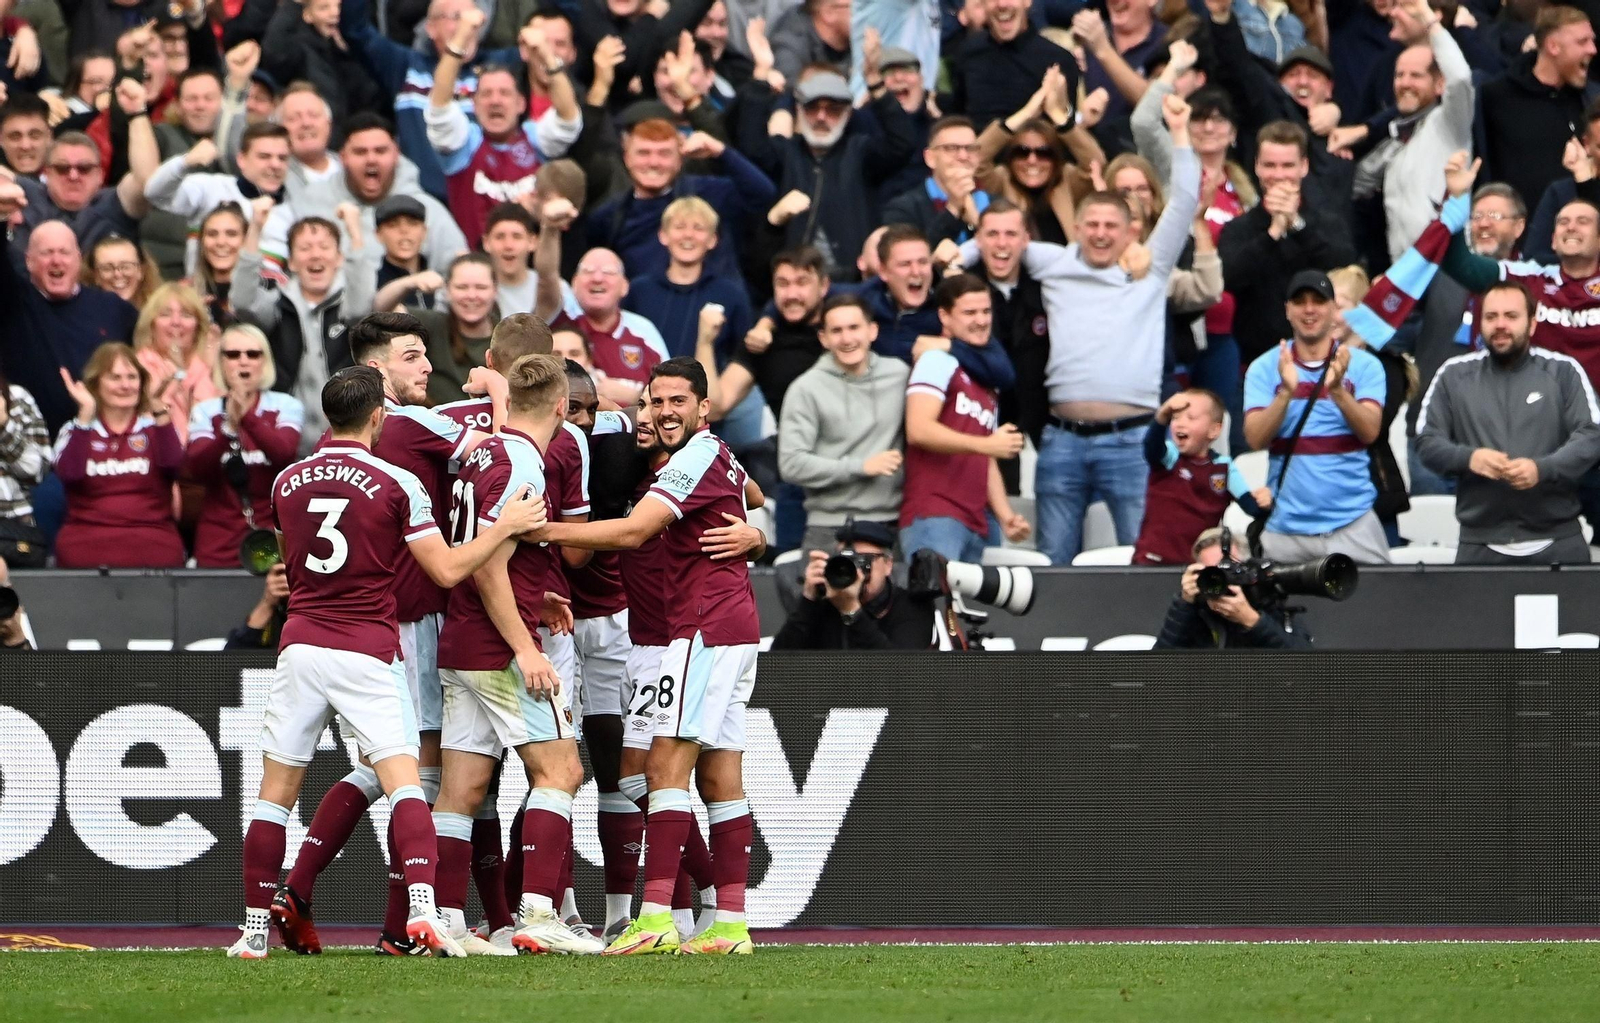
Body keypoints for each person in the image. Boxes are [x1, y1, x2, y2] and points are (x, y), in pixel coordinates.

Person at [231, 364, 546, 960]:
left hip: (300, 644)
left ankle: (251, 935)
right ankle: (424, 913)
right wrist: (504, 524)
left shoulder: (286, 481)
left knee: (275, 794)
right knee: (406, 783)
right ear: (379, 415)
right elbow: (450, 569)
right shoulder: (397, 481)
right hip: (368, 647)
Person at [530, 357, 764, 957]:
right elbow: (751, 492)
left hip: (700, 628)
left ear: (703, 408)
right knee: (711, 773)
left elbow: (636, 531)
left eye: (675, 402)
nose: (661, 413)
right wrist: (752, 529)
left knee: (664, 770)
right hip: (696, 630)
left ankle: (656, 915)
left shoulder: (694, 458)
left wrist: (542, 531)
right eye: (653, 402)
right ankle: (730, 923)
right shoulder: (691, 456)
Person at [957, 94, 1200, 564]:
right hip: (1062, 440)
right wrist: (957, 256)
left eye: (1112, 225)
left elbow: (1186, 199)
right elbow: (996, 243)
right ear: (1078, 227)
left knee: (1142, 561)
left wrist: (1181, 132)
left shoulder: (1151, 268)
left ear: (1133, 230)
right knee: (1053, 564)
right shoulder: (1054, 260)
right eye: (1092, 223)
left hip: (1133, 438)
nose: (1102, 233)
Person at [428, 352, 606, 956]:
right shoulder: (523, 460)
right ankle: (540, 914)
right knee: (562, 771)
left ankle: (447, 919)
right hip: (497, 648)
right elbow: (491, 569)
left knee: (463, 788)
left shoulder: (481, 451)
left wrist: (542, 592)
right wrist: (527, 648)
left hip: (459, 642)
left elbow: (490, 553)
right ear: (562, 407)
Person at [1415, 282, 1600, 565]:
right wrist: (1469, 458)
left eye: (1511, 316)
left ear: (1532, 323)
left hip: (1559, 544)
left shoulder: (1563, 371)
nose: (1500, 325)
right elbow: (1426, 440)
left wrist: (1543, 468)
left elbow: (1592, 435)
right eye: (1491, 317)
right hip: (1479, 545)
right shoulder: (1453, 375)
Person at [1243, 270, 1390, 563]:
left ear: (1334, 309)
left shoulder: (1364, 366)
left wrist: (1337, 390)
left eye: (1318, 301)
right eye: (1300, 302)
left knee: (1376, 608)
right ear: (1287, 310)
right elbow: (1255, 439)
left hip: (1353, 524)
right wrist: (1285, 392)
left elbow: (1370, 432)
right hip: (1284, 530)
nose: (1309, 309)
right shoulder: (1264, 367)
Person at [425, 8, 581, 248]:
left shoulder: (536, 140)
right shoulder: (464, 143)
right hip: (475, 272)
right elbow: (438, 106)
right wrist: (462, 35)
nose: (495, 101)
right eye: (486, 94)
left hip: (530, 269)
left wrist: (546, 55)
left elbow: (569, 117)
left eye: (505, 93)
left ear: (521, 104)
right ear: (474, 105)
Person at [901, 274, 1029, 561]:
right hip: (936, 514)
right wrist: (986, 446)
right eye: (969, 312)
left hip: (979, 519)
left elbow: (986, 453)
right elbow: (918, 430)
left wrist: (1005, 514)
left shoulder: (983, 375)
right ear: (944, 317)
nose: (981, 320)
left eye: (986, 311)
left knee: (972, 608)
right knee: (936, 604)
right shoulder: (936, 360)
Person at [0, 183, 140, 435]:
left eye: (64, 252)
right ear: (29, 262)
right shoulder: (14, 301)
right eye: (46, 253)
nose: (56, 260)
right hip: (30, 444)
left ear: (78, 258)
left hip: (104, 444)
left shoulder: (112, 307)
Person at [232, 207, 374, 448]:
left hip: (346, 436)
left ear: (339, 258)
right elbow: (243, 303)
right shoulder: (278, 304)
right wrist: (255, 227)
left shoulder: (349, 305)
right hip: (286, 439)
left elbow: (361, 304)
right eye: (305, 248)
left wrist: (353, 229)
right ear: (292, 262)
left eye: (324, 247)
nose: (315, 255)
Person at [779, 295, 910, 553]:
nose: (847, 339)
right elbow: (791, 465)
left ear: (872, 331)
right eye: (836, 331)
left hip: (891, 524)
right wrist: (860, 467)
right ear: (823, 338)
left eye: (854, 328)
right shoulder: (805, 388)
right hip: (828, 527)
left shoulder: (900, 374)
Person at [1219, 120, 1357, 364]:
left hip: (1321, 359)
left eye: (1288, 165)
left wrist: (1296, 225)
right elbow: (1227, 279)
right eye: (1270, 165)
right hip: (1254, 361)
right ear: (1257, 167)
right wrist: (1272, 234)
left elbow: (1343, 267)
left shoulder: (1328, 221)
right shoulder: (1238, 228)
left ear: (1304, 167)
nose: (1279, 175)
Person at [52, 342, 185, 569]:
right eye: (115, 378)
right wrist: (85, 416)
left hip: (153, 542)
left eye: (132, 377)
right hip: (85, 541)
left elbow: (174, 466)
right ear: (96, 384)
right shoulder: (76, 430)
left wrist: (159, 409)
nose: (125, 385)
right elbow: (69, 475)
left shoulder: (156, 428)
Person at [182, 324, 304, 569]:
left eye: (253, 354)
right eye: (233, 354)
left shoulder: (286, 405)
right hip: (218, 541)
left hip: (272, 539)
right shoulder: (205, 411)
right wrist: (228, 428)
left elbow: (283, 454)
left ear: (265, 361)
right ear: (222, 363)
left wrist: (246, 417)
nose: (243, 362)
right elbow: (198, 468)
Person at [1479, 6, 1599, 241]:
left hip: (1583, 242)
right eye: (1582, 42)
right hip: (1520, 244)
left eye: (1592, 41)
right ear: (1553, 46)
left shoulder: (1591, 100)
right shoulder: (1495, 97)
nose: (1593, 50)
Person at [1132, 389, 1269, 566]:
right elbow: (1152, 447)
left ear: (1214, 430)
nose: (1180, 424)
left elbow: (1253, 508)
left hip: (1198, 565)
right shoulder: (1170, 457)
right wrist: (1161, 418)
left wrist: (1265, 503)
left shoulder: (1224, 468)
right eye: (1175, 418)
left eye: (1190, 418)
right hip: (1152, 561)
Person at [144, 124, 292, 271]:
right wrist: (185, 162)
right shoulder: (210, 187)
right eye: (264, 156)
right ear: (241, 159)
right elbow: (155, 193)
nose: (275, 164)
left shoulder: (295, 212)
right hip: (200, 291)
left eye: (282, 158)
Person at [771, 519, 936, 649]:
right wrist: (808, 601)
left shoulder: (911, 606)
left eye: (865, 561)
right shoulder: (824, 604)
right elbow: (778, 664)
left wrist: (852, 611)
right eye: (847, 561)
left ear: (888, 565)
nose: (856, 570)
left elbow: (902, 673)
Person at [624, 196, 751, 359]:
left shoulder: (731, 295)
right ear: (663, 235)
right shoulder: (638, 291)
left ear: (712, 240)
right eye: (679, 227)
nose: (688, 235)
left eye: (698, 228)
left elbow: (743, 356)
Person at [1151, 527, 1315, 649]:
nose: (1220, 579)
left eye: (1228, 570)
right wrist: (1184, 604)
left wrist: (1252, 621)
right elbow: (1156, 670)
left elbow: (1307, 666)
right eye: (1211, 572)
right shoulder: (1194, 611)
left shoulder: (1267, 603)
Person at [552, 248, 671, 405]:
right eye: (588, 271)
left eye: (608, 272)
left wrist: (636, 397)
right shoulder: (558, 322)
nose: (597, 278)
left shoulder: (644, 331)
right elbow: (546, 277)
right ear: (574, 283)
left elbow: (672, 393)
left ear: (625, 286)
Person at [947, 0, 1078, 130]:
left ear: (1027, 2)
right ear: (983, 5)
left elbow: (1067, 131)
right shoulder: (967, 53)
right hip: (977, 148)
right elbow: (958, 120)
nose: (1002, 4)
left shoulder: (1058, 60)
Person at [132, 282, 219, 442]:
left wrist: (215, 370)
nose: (176, 322)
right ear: (151, 324)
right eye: (165, 314)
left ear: (198, 326)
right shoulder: (137, 369)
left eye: (186, 315)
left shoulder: (210, 367)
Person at [413, 254, 501, 405]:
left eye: (481, 287)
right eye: (462, 287)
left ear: (495, 290)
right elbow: (381, 311)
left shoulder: (508, 337)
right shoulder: (433, 324)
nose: (471, 295)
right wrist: (410, 282)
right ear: (447, 290)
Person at [187, 203, 248, 328]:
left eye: (231, 234)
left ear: (246, 240)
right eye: (212, 234)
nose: (220, 242)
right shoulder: (186, 291)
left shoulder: (266, 288)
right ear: (201, 242)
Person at [83, 233, 160, 309]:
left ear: (141, 271)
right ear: (95, 275)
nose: (117, 274)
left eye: (126, 267)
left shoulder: (161, 312)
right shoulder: (83, 314)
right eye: (107, 268)